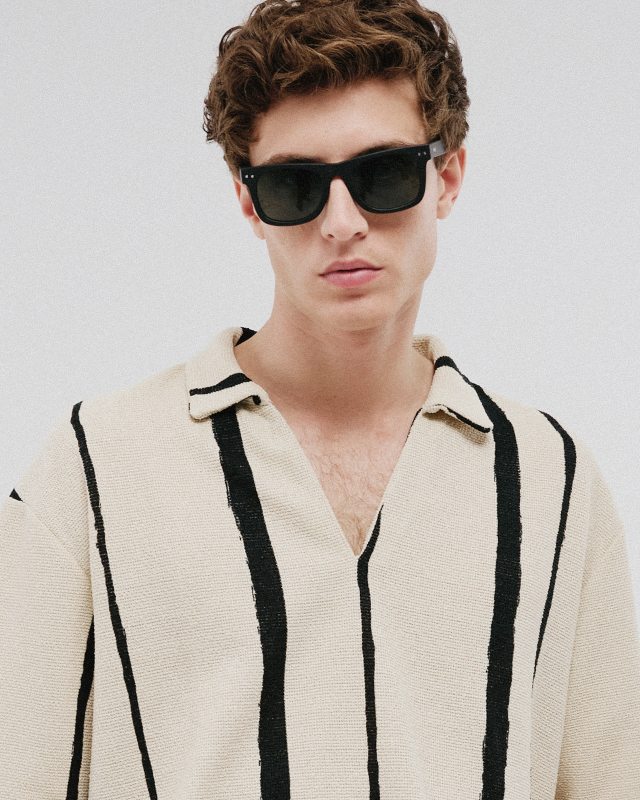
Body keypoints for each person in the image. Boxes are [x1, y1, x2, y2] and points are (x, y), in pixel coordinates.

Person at [1, 0, 639, 797]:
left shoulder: (551, 479)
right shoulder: (95, 469)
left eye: (382, 174)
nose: (341, 222)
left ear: (446, 176)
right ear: (247, 200)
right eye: (294, 185)